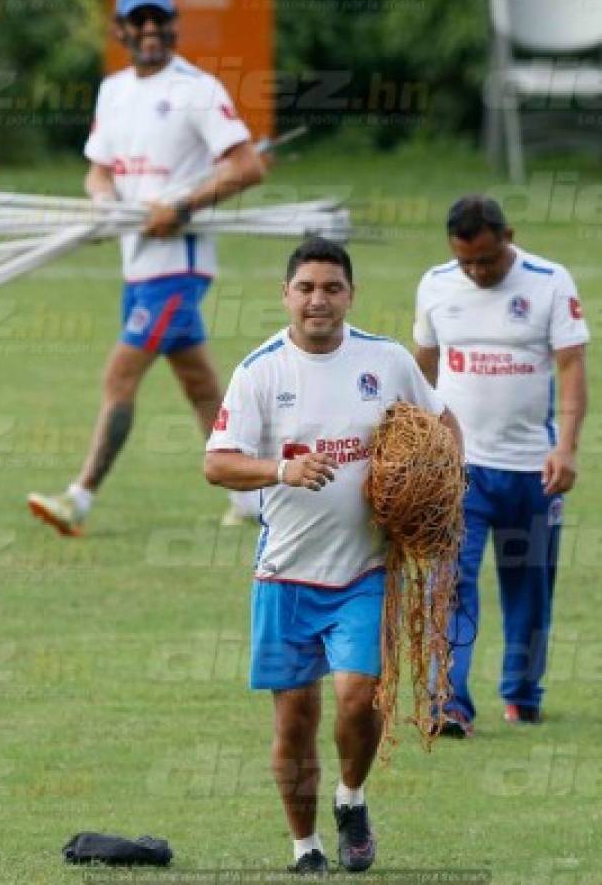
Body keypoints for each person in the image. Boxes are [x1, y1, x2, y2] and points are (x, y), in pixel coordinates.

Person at [204, 237, 462, 874]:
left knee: (358, 693)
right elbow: (217, 464)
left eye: (332, 288)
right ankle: (305, 847)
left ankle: (351, 800)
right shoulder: (259, 370)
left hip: (363, 571)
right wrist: (279, 471)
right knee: (294, 724)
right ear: (285, 294)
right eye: (306, 288)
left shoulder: (387, 358)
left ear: (351, 294)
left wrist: (442, 484)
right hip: (286, 575)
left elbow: (443, 423)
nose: (318, 300)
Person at [28, 0, 264, 535]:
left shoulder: (197, 90)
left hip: (178, 264)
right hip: (137, 262)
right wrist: (103, 205)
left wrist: (181, 205)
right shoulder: (112, 91)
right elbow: (98, 168)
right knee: (201, 384)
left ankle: (78, 497)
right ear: (122, 31)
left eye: (160, 19)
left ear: (175, 26)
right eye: (140, 21)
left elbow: (247, 166)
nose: (150, 30)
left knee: (120, 374)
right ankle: (254, 499)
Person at [413, 195, 589, 737]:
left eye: (486, 260)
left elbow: (572, 369)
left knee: (529, 586)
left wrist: (567, 448)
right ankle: (449, 703)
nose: (476, 272)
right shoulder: (436, 284)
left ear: (507, 236)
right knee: (449, 585)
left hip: (531, 471)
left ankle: (522, 692)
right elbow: (421, 367)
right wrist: (419, 443)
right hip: (459, 468)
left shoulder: (549, 282)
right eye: (466, 261)